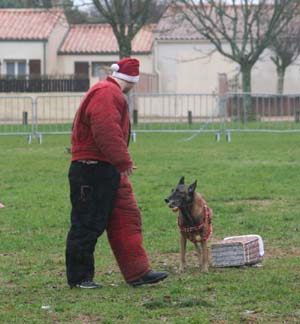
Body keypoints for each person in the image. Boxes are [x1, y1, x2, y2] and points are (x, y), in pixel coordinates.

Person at [65, 57, 168, 288]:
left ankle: (138, 273)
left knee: (127, 218)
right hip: (91, 170)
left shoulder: (108, 91)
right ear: (132, 81)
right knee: (86, 224)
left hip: (106, 168)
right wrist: (123, 160)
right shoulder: (107, 93)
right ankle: (80, 278)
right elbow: (105, 128)